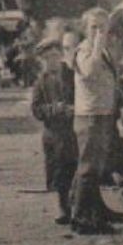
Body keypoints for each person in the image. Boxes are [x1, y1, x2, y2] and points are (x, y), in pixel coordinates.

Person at [70, 7, 123, 234]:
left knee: (98, 166)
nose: (99, 32)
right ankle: (81, 218)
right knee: (88, 168)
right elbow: (90, 72)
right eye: (94, 27)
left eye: (103, 27)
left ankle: (97, 209)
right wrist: (98, 44)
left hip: (103, 114)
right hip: (89, 117)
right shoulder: (84, 51)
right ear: (85, 29)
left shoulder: (102, 52)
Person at [29, 36, 79, 224]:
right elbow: (36, 110)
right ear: (42, 60)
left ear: (61, 56)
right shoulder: (41, 82)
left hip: (73, 131)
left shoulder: (73, 75)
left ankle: (78, 207)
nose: (52, 61)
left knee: (75, 168)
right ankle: (62, 207)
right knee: (58, 172)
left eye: (55, 56)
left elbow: (83, 97)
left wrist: (73, 108)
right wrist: (54, 109)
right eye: (47, 58)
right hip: (53, 134)